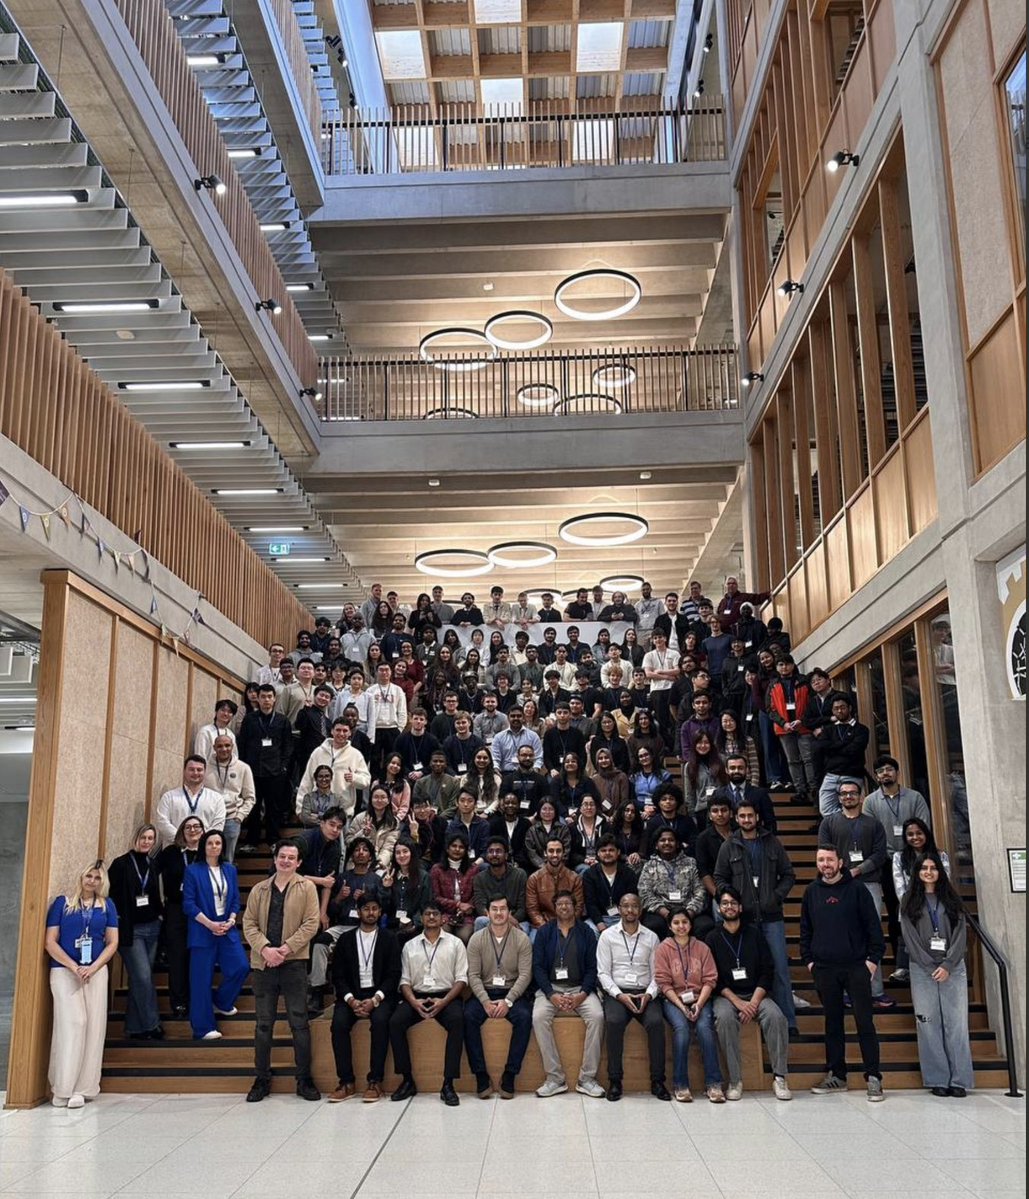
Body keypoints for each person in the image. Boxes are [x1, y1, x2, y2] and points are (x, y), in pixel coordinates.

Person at [800, 846, 885, 1101]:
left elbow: (874, 929)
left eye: (829, 860)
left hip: (856, 967)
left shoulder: (857, 890)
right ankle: (836, 1075)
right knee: (832, 1023)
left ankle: (873, 1077)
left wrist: (871, 962)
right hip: (825, 969)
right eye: (820, 860)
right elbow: (805, 930)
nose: (825, 864)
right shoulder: (811, 892)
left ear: (840, 862)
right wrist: (810, 962)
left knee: (864, 1022)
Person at [241, 838, 321, 1102]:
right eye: (282, 856)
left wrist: (285, 949)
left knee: (299, 1022)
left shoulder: (307, 887)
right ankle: (261, 1078)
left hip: (294, 963)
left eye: (291, 858)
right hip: (264, 964)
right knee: (263, 1024)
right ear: (275, 859)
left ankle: (304, 1078)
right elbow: (249, 924)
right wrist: (266, 949)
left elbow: (311, 924)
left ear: (298, 862)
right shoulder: (259, 889)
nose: (285, 861)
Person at [713, 800, 797, 1032]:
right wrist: (731, 899)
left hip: (771, 917)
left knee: (779, 969)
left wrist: (775, 896)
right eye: (742, 816)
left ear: (757, 818)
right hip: (744, 920)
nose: (746, 820)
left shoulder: (772, 843)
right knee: (750, 969)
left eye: (750, 816)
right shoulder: (729, 845)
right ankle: (756, 1020)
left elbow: (789, 875)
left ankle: (788, 1022)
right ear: (736, 818)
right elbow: (719, 877)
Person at [706, 887, 792, 1101]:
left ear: (741, 907)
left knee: (776, 1017)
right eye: (724, 903)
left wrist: (752, 1003)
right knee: (724, 1019)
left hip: (756, 994)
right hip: (726, 996)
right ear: (719, 908)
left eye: (733, 903)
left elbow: (767, 970)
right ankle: (735, 1081)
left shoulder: (754, 933)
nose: (729, 907)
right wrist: (738, 1003)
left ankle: (780, 1077)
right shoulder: (712, 937)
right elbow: (712, 977)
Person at [45, 861, 119, 1107]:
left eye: (97, 878)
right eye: (88, 875)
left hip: (95, 972)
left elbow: (112, 942)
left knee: (94, 1027)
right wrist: (73, 966)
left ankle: (83, 1087)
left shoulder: (107, 906)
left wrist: (93, 967)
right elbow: (50, 942)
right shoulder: (62, 904)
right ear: (81, 876)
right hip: (65, 971)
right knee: (75, 1022)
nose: (92, 881)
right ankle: (62, 1087)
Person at [900, 854, 974, 1097]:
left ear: (940, 872)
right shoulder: (909, 901)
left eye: (933, 868)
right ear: (917, 873)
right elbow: (909, 937)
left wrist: (949, 964)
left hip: (953, 968)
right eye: (924, 868)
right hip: (923, 970)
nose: (929, 872)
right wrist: (930, 964)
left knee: (957, 1024)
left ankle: (959, 1080)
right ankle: (937, 1078)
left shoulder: (951, 899)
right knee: (928, 1023)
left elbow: (961, 932)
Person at [817, 781, 895, 1007]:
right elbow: (824, 853)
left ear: (861, 797)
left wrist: (858, 870)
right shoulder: (829, 823)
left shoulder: (873, 824)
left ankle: (876, 990)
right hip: (838, 885)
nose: (848, 796)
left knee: (872, 935)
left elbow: (880, 854)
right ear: (838, 797)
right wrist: (841, 872)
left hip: (869, 884)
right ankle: (846, 991)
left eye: (853, 793)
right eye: (844, 793)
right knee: (842, 935)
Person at [389, 902, 468, 1105]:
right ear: (421, 918)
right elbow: (404, 981)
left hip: (446, 996)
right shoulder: (410, 945)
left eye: (435, 913)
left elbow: (461, 979)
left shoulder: (455, 943)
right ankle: (407, 1080)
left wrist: (443, 1002)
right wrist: (414, 1002)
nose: (431, 917)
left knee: (458, 1020)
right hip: (417, 997)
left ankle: (448, 1084)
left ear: (443, 918)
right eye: (427, 913)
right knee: (395, 1022)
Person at [531, 891, 606, 1098]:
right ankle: (555, 1078)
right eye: (560, 904)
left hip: (580, 989)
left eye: (568, 904)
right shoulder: (544, 932)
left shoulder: (586, 932)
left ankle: (587, 1078)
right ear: (554, 909)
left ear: (576, 908)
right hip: (551, 989)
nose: (564, 907)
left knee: (597, 1017)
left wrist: (582, 995)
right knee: (538, 1017)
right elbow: (537, 967)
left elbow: (592, 968)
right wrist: (550, 994)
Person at [596, 893, 670, 1101]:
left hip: (645, 992)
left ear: (641, 909)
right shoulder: (607, 936)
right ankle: (615, 1080)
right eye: (625, 906)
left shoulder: (652, 937)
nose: (630, 910)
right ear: (618, 909)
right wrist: (619, 995)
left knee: (656, 1023)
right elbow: (603, 973)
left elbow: (658, 973)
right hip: (617, 992)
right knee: (613, 1021)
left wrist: (649, 994)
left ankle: (658, 1081)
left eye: (634, 906)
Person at [328, 896, 402, 1103]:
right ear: (358, 912)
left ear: (380, 913)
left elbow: (394, 974)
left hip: (380, 995)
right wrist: (351, 1000)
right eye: (366, 909)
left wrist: (375, 999)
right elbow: (338, 976)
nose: (370, 913)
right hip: (351, 995)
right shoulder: (345, 939)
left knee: (380, 1022)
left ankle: (375, 1081)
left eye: (374, 909)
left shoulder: (389, 938)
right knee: (338, 1025)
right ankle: (346, 1082)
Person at [864, 756, 932, 982]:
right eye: (880, 770)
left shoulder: (915, 797)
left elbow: (923, 827)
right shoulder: (871, 802)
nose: (885, 773)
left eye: (889, 769)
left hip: (915, 859)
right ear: (876, 776)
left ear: (897, 772)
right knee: (896, 911)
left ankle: (924, 958)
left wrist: (912, 852)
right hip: (885, 863)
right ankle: (901, 963)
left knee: (921, 909)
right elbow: (870, 833)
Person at [464, 896, 534, 1098]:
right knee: (467, 1017)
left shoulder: (521, 939)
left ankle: (510, 1074)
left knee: (524, 1017)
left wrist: (508, 1001)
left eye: (503, 909)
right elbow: (473, 975)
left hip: (512, 992)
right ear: (487, 913)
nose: (499, 913)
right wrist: (485, 1001)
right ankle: (480, 1075)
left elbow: (525, 975)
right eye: (494, 909)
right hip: (484, 992)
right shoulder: (476, 939)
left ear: (510, 913)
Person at [182, 830, 249, 1041]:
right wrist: (210, 924)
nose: (214, 846)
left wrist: (230, 919)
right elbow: (188, 904)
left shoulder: (230, 869)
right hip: (203, 929)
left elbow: (236, 900)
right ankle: (203, 1028)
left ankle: (221, 1001)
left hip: (227, 929)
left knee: (241, 967)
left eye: (218, 843)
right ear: (203, 846)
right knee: (201, 980)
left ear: (223, 846)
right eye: (210, 843)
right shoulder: (193, 871)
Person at [654, 909, 724, 1102]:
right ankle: (680, 1084)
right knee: (682, 1029)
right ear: (669, 926)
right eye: (676, 923)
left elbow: (710, 980)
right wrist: (682, 1007)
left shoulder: (702, 948)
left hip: (700, 998)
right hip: (673, 1000)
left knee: (704, 1028)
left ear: (691, 925)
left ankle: (714, 1084)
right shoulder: (663, 948)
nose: (681, 926)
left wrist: (699, 1005)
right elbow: (663, 983)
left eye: (685, 922)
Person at [106, 823, 163, 1040]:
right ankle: (152, 1024)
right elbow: (109, 896)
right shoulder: (120, 864)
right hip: (132, 931)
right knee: (143, 976)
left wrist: (160, 915)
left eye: (150, 838)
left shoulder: (152, 863)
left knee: (141, 980)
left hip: (152, 928)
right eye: (143, 838)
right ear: (135, 838)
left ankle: (134, 1027)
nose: (147, 842)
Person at [237, 683, 294, 853]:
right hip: (252, 771)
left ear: (274, 699)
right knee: (253, 807)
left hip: (275, 772)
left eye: (270, 697)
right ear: (258, 699)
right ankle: (252, 840)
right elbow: (243, 744)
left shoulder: (282, 721)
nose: (266, 700)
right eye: (263, 697)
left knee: (273, 808)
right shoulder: (250, 719)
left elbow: (288, 746)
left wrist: (283, 767)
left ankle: (273, 839)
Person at [157, 816, 204, 1019]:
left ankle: (197, 1000)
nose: (192, 830)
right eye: (188, 827)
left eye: (196, 826)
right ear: (181, 831)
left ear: (203, 830)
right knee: (177, 957)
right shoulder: (170, 853)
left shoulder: (209, 853)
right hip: (176, 910)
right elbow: (152, 877)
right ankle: (179, 1003)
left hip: (202, 913)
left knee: (198, 958)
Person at [638, 827, 709, 940]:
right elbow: (645, 894)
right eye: (662, 840)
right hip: (661, 911)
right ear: (656, 845)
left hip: (688, 909)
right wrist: (665, 913)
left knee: (705, 925)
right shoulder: (649, 866)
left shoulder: (690, 863)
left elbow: (700, 890)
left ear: (677, 844)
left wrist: (688, 913)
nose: (667, 843)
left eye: (671, 840)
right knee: (653, 925)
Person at [766, 657, 817, 802]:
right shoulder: (773, 685)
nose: (784, 667)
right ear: (777, 667)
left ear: (793, 665)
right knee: (792, 760)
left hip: (804, 725)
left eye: (787, 664)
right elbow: (770, 709)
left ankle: (813, 789)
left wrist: (802, 720)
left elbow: (811, 703)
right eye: (780, 664)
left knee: (808, 759)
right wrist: (783, 723)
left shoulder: (803, 681)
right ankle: (800, 790)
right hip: (784, 728)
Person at [816, 694, 871, 817]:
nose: (839, 711)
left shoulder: (861, 729)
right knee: (825, 810)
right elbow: (822, 747)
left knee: (853, 807)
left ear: (850, 708)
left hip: (852, 775)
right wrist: (845, 743)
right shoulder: (828, 730)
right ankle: (844, 821)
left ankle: (847, 821)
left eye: (842, 707)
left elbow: (855, 750)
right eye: (836, 708)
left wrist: (834, 748)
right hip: (831, 775)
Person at [204, 734, 256, 862]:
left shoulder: (243, 767)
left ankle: (225, 881)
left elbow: (250, 797)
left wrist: (239, 817)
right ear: (214, 747)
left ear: (232, 747)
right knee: (207, 856)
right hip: (209, 818)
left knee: (227, 858)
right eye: (220, 746)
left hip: (232, 818)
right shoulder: (205, 766)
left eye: (227, 745)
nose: (224, 749)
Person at [155, 756, 226, 848]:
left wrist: (200, 842)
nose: (195, 773)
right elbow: (162, 822)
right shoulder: (169, 797)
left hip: (204, 851)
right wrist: (182, 839)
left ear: (205, 772)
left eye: (199, 769)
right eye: (191, 769)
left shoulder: (217, 798)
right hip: (174, 849)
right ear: (184, 771)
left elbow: (218, 825)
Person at [582, 835, 639, 936]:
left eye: (611, 850)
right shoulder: (589, 874)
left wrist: (624, 923)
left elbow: (633, 901)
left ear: (618, 852)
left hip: (623, 918)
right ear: (598, 854)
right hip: (599, 919)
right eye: (603, 850)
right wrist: (601, 925)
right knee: (589, 931)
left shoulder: (628, 873)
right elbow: (590, 903)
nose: (607, 853)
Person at [526, 837, 585, 934]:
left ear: (563, 853)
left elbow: (578, 908)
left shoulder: (574, 878)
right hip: (543, 925)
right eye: (551, 851)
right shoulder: (534, 879)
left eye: (558, 851)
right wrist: (546, 928)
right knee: (533, 941)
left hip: (570, 924)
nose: (555, 855)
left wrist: (566, 926)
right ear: (545, 853)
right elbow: (533, 909)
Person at [430, 832, 480, 942]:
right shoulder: (437, 869)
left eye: (461, 847)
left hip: (467, 916)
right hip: (444, 914)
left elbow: (477, 894)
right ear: (447, 849)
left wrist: (468, 907)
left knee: (465, 936)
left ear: (466, 851)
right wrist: (457, 905)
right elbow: (436, 896)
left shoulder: (473, 869)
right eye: (454, 846)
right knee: (443, 935)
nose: (457, 849)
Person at [472, 836, 529, 932]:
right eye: (491, 851)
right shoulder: (479, 878)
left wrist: (510, 919)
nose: (494, 855)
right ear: (486, 855)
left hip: (515, 919)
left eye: (498, 851)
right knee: (480, 921)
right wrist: (500, 919)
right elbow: (480, 906)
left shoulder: (519, 875)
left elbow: (522, 907)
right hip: (490, 918)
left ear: (506, 855)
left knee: (524, 933)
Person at [524, 798, 572, 870]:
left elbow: (566, 851)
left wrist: (556, 865)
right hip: (538, 869)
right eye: (544, 809)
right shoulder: (532, 830)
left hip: (560, 867)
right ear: (539, 811)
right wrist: (544, 867)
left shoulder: (563, 829)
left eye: (550, 809)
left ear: (555, 811)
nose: (547, 812)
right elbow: (531, 853)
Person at [413, 749, 462, 816]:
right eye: (435, 761)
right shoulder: (420, 782)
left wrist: (439, 819)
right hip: (424, 817)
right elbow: (416, 803)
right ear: (430, 763)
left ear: (445, 764)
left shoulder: (454, 782)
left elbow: (454, 806)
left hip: (446, 820)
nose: (438, 764)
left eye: (441, 761)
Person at [298, 764, 341, 828]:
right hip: (311, 834)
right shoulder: (308, 797)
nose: (324, 779)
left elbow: (338, 819)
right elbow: (305, 819)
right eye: (320, 776)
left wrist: (318, 816)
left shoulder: (337, 798)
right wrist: (328, 820)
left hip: (330, 835)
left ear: (331, 778)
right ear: (316, 778)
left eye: (327, 776)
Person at [611, 799, 645, 870]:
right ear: (621, 812)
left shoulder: (640, 830)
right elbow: (611, 849)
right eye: (627, 810)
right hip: (617, 862)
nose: (629, 813)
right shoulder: (613, 829)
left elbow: (643, 849)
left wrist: (638, 854)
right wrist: (625, 858)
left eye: (632, 811)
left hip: (636, 863)